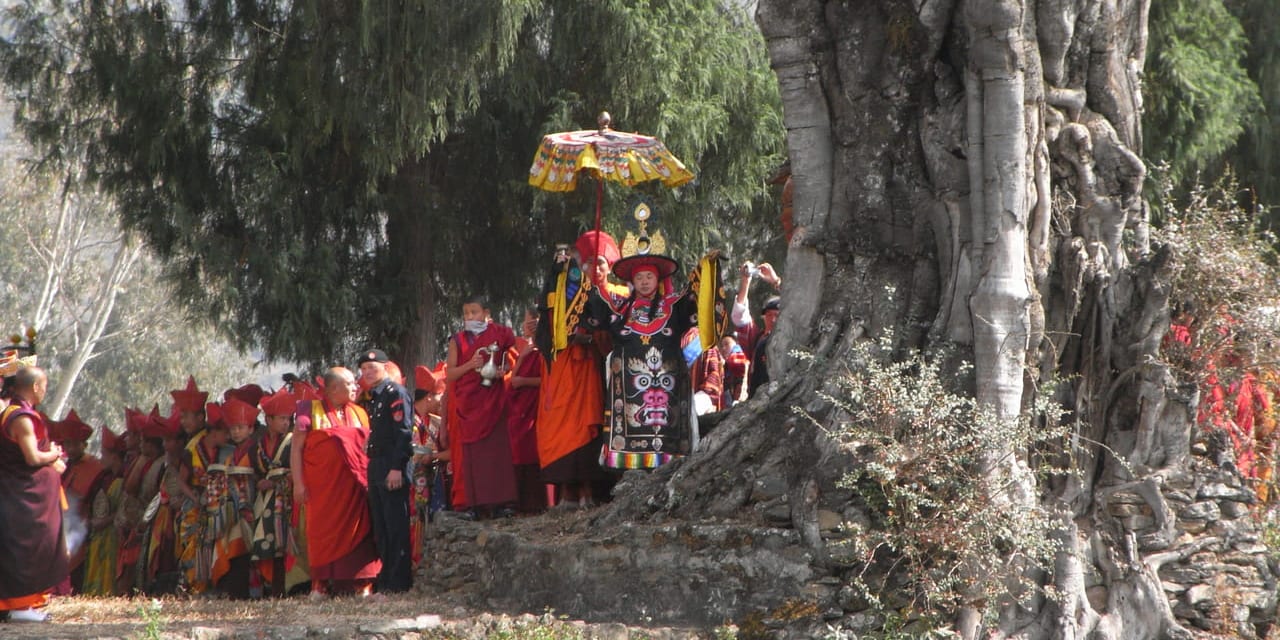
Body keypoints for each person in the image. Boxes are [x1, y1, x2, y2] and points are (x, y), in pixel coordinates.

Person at [584, 251, 703, 469]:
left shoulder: (674, 304)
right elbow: (589, 305)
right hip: (629, 391)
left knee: (670, 433)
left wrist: (706, 269)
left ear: (658, 280)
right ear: (632, 281)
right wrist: (572, 274)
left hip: (669, 388)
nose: (644, 282)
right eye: (639, 278)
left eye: (649, 276)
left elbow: (697, 297)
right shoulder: (618, 309)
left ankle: (670, 468)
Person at [536, 231, 626, 508]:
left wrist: (592, 338)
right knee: (562, 427)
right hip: (565, 372)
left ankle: (590, 490)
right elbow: (547, 333)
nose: (594, 268)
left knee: (592, 426)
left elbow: (616, 333)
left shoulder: (619, 295)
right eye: (588, 263)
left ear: (609, 266)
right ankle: (567, 492)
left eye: (600, 262)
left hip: (599, 371)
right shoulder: (565, 294)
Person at [291, 367, 380, 598]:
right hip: (322, 489)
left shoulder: (360, 412)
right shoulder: (308, 411)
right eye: (350, 384)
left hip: (354, 488)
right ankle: (320, 584)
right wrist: (298, 484)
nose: (356, 387)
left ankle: (362, 584)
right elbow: (296, 449)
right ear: (332, 389)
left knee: (360, 532)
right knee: (320, 534)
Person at [0, 365, 69, 623]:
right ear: (36, 387)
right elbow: (31, 458)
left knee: (28, 546)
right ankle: (20, 606)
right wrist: (54, 455)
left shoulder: (17, 413)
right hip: (22, 498)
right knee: (25, 548)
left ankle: (24, 605)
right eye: (45, 387)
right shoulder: (20, 418)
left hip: (20, 495)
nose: (45, 391)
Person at [446, 297, 519, 518]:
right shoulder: (458, 340)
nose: (470, 317)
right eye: (466, 313)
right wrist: (470, 365)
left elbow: (510, 359)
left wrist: (502, 370)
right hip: (469, 405)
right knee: (473, 457)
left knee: (497, 453)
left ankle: (501, 503)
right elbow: (450, 374)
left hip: (492, 400)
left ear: (485, 313)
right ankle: (475, 504)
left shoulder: (499, 333)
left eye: (474, 312)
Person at [357, 348, 415, 595]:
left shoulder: (395, 393)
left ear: (385, 367)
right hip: (377, 464)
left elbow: (403, 434)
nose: (368, 372)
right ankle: (387, 579)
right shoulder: (375, 397)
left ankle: (398, 582)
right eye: (364, 369)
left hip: (392, 465)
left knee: (395, 525)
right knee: (381, 526)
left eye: (373, 367)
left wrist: (396, 468)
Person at [251, 389, 306, 596]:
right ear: (268, 419)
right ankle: (272, 589)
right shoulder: (258, 446)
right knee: (270, 544)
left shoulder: (293, 440)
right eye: (281, 419)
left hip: (288, 499)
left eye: (288, 418)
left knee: (287, 542)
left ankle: (289, 589)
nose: (285, 422)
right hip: (266, 502)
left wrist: (276, 483)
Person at [53, 409, 107, 593]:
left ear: (84, 444)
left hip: (84, 527)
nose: (70, 448)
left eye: (75, 444)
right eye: (67, 444)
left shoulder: (95, 467)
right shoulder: (65, 466)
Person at [507, 309, 545, 514]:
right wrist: (522, 358)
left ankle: (536, 504)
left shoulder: (543, 351)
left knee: (532, 452)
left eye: (534, 321)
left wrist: (524, 381)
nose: (529, 325)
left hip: (536, 409)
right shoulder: (525, 350)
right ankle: (519, 503)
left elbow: (547, 380)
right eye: (527, 321)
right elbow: (513, 379)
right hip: (519, 411)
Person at [82, 425, 127, 595]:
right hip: (98, 533)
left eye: (104, 454)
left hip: (115, 533)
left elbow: (125, 508)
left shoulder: (124, 478)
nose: (101, 458)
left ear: (115, 457)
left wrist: (105, 521)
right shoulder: (104, 477)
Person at [732, 262, 782, 396]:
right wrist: (745, 281)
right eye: (769, 315)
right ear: (763, 317)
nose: (772, 319)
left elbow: (798, 308)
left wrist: (776, 281)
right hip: (755, 399)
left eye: (777, 315)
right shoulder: (756, 337)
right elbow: (739, 316)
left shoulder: (790, 338)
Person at [719, 335, 749, 408]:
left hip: (740, 401)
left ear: (736, 344)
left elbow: (737, 363)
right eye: (722, 346)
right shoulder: (725, 366)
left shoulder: (739, 356)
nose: (723, 348)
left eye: (727, 344)